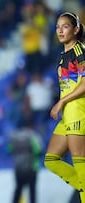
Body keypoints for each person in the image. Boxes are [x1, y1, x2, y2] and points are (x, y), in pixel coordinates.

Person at [44, 12, 85, 203]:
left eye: (65, 26)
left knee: (80, 165)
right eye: (57, 27)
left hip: (78, 111)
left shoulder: (80, 51)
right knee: (51, 160)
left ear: (76, 29)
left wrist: (61, 102)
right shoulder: (64, 53)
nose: (60, 30)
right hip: (67, 114)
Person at [8, 120, 43, 203]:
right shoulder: (32, 135)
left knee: (18, 189)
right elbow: (38, 150)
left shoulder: (14, 136)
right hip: (31, 168)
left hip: (18, 168)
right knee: (32, 191)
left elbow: (9, 150)